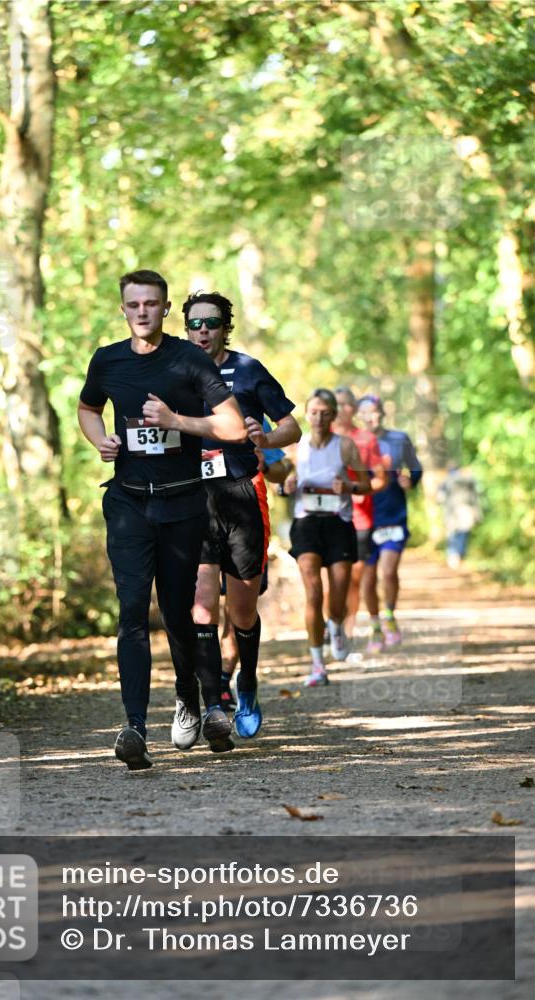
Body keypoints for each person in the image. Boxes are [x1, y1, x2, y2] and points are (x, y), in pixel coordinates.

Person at [77, 270, 246, 770]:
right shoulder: (107, 360)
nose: (143, 312)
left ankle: (188, 700)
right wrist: (100, 439)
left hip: (182, 504)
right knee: (131, 611)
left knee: (177, 614)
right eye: (134, 305)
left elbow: (233, 425)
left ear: (166, 308)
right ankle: (133, 728)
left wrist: (178, 422)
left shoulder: (188, 359)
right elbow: (88, 408)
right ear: (123, 309)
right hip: (128, 503)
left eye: (152, 304)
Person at [184, 291, 301, 738]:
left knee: (243, 611)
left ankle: (247, 681)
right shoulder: (177, 371)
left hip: (243, 493)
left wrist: (267, 439)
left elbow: (291, 423)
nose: (203, 331)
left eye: (211, 323)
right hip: (194, 497)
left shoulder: (248, 370)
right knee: (200, 604)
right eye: (195, 324)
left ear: (225, 327)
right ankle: (213, 702)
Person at [285, 389, 370, 686]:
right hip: (307, 523)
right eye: (313, 412)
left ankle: (335, 626)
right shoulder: (297, 447)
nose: (318, 418)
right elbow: (279, 480)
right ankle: (318, 665)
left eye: (325, 413)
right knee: (313, 591)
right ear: (306, 415)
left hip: (338, 523)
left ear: (334, 415)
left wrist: (348, 487)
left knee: (337, 598)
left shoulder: (345, 446)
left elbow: (366, 485)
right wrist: (286, 482)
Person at [219, 427, 294, 711]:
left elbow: (281, 469)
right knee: (197, 607)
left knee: (236, 610)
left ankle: (229, 680)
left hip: (243, 518)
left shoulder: (248, 411)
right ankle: (205, 686)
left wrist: (267, 460)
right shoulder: (183, 405)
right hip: (192, 513)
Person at [357, 394, 422, 652]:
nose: (371, 417)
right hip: (365, 518)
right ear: (358, 416)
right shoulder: (353, 442)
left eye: (375, 412)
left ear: (383, 413)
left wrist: (411, 479)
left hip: (394, 514)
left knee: (387, 571)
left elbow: (416, 467)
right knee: (368, 578)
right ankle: (375, 626)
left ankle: (390, 616)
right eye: (366, 413)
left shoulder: (398, 439)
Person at [331, 387, 387, 640]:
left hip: (359, 518)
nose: (341, 409)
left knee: (353, 580)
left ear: (354, 409)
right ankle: (332, 627)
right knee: (330, 578)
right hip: (327, 517)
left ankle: (347, 632)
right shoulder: (320, 438)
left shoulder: (365, 439)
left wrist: (357, 490)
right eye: (337, 404)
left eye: (346, 404)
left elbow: (380, 480)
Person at [437, 462, 482, 568]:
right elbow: (476, 495)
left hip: (451, 511)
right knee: (463, 534)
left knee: (452, 535)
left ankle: (453, 557)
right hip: (466, 510)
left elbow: (440, 498)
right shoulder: (468, 480)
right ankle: (459, 556)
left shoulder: (445, 481)